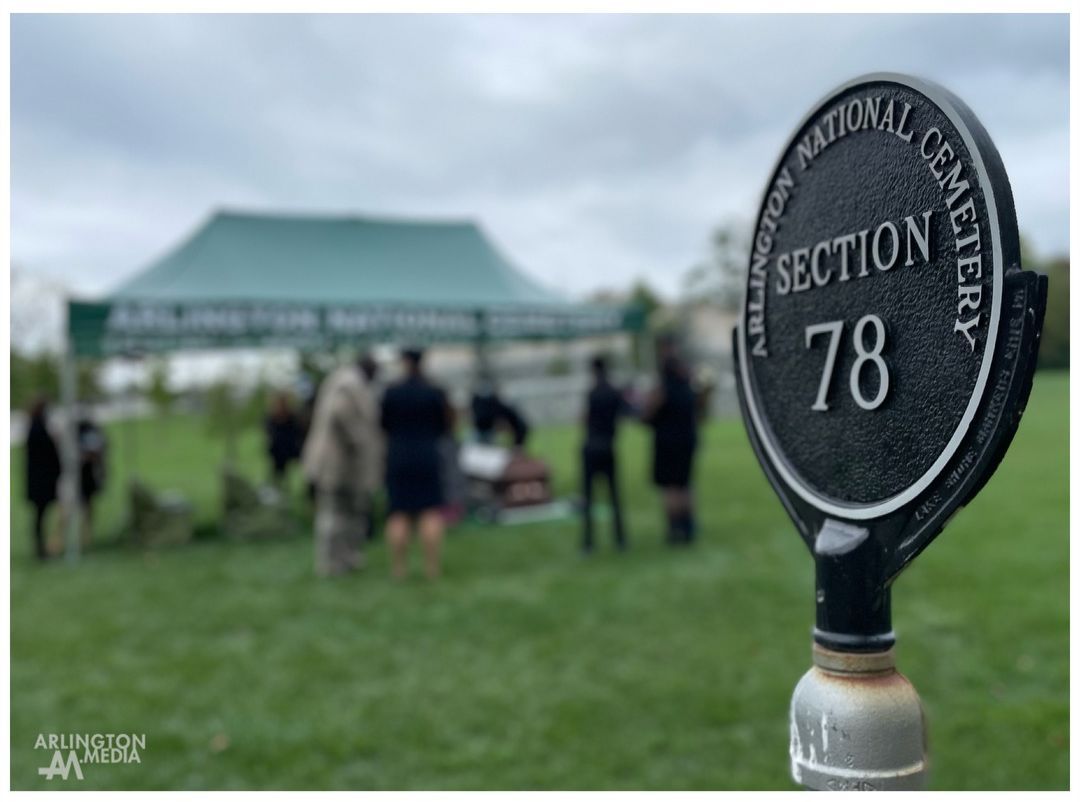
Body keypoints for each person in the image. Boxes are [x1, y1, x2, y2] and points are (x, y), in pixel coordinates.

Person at [301, 353, 382, 577]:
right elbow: (340, 412)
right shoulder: (348, 383)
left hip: (348, 466)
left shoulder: (346, 381)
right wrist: (359, 439)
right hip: (334, 464)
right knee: (334, 514)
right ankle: (329, 562)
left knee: (351, 514)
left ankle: (347, 558)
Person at [381, 347, 452, 580]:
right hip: (427, 454)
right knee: (430, 511)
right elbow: (445, 425)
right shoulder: (433, 391)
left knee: (398, 512)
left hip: (399, 455)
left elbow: (383, 425)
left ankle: (398, 569)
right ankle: (432, 568)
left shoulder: (392, 392)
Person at [643, 342, 699, 546]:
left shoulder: (662, 390)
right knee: (685, 484)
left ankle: (675, 529)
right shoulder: (687, 387)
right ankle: (689, 526)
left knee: (671, 487)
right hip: (687, 440)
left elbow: (647, 416)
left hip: (667, 443)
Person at [581, 355, 630, 553]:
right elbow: (626, 413)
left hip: (591, 447)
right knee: (614, 496)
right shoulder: (614, 392)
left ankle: (588, 542)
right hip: (608, 446)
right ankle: (620, 540)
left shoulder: (592, 393)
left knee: (589, 498)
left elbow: (586, 419)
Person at [24, 398, 61, 561]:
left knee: (41, 515)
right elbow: (47, 454)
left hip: (41, 481)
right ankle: (41, 549)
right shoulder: (37, 429)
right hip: (41, 481)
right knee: (41, 515)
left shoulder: (37, 427)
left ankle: (43, 547)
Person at [76, 413, 108, 544]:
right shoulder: (81, 433)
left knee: (87, 506)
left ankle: (86, 535)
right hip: (79, 475)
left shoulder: (91, 434)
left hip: (87, 476)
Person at [265, 392, 303, 485]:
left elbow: (297, 431)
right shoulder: (271, 418)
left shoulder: (292, 416)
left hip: (291, 448)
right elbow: (269, 433)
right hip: (277, 450)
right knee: (278, 472)